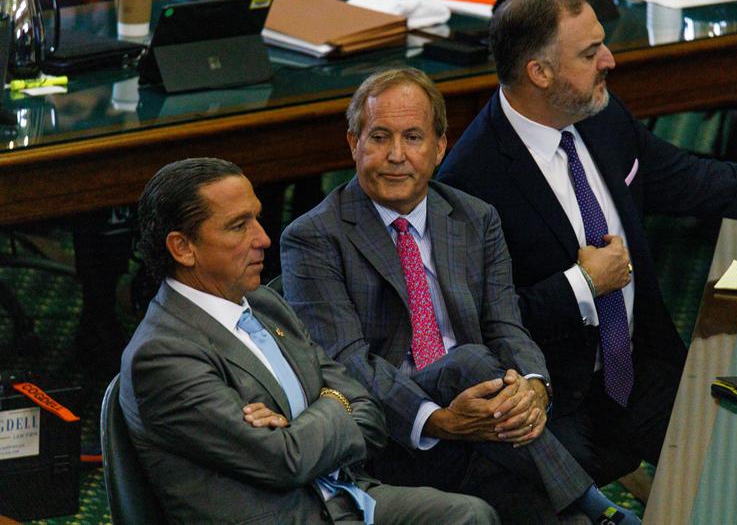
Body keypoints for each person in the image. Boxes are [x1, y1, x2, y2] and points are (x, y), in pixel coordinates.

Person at [437, 0, 737, 487]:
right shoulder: (470, 180)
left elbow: (698, 181)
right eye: (590, 53)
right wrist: (582, 285)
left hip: (638, 365)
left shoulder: (600, 116)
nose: (610, 60)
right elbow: (476, 325)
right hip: (553, 400)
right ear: (539, 73)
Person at [281, 68, 639, 524]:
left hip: (488, 422)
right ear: (354, 144)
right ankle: (595, 503)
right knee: (470, 362)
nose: (396, 156)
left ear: (439, 147)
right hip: (394, 432)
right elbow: (348, 363)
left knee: (549, 513)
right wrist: (436, 419)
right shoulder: (314, 237)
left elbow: (505, 325)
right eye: (379, 138)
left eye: (413, 137)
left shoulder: (475, 217)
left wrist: (532, 384)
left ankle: (583, 511)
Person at [119, 158, 498, 524]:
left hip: (346, 499)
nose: (264, 238)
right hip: (283, 515)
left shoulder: (266, 304)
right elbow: (284, 460)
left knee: (470, 515)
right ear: (183, 247)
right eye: (238, 227)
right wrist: (331, 403)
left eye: (257, 218)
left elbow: (368, 409)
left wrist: (303, 422)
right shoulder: (162, 354)